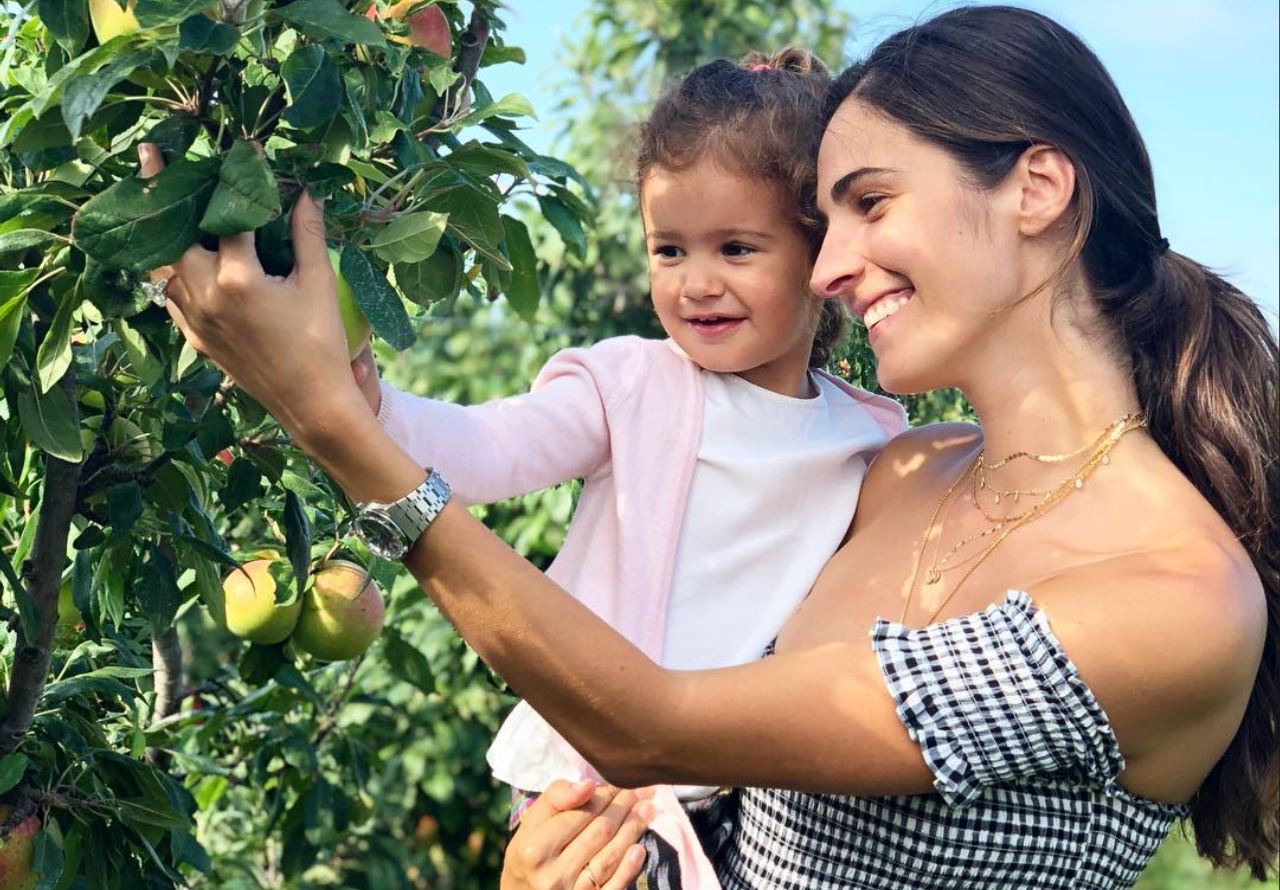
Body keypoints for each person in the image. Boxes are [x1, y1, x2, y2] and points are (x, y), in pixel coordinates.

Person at [145, 6, 1278, 888]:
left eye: (868, 204)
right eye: (822, 224)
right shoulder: (889, 474)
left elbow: (650, 723)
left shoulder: (1176, 600)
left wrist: (333, 427)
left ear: (1035, 185)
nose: (827, 267)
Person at [348, 48, 902, 883]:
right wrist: (370, 410)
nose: (697, 283)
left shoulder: (868, 437)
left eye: (737, 249)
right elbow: (494, 449)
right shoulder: (631, 384)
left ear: (820, 256)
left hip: (750, 800)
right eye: (668, 250)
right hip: (593, 787)